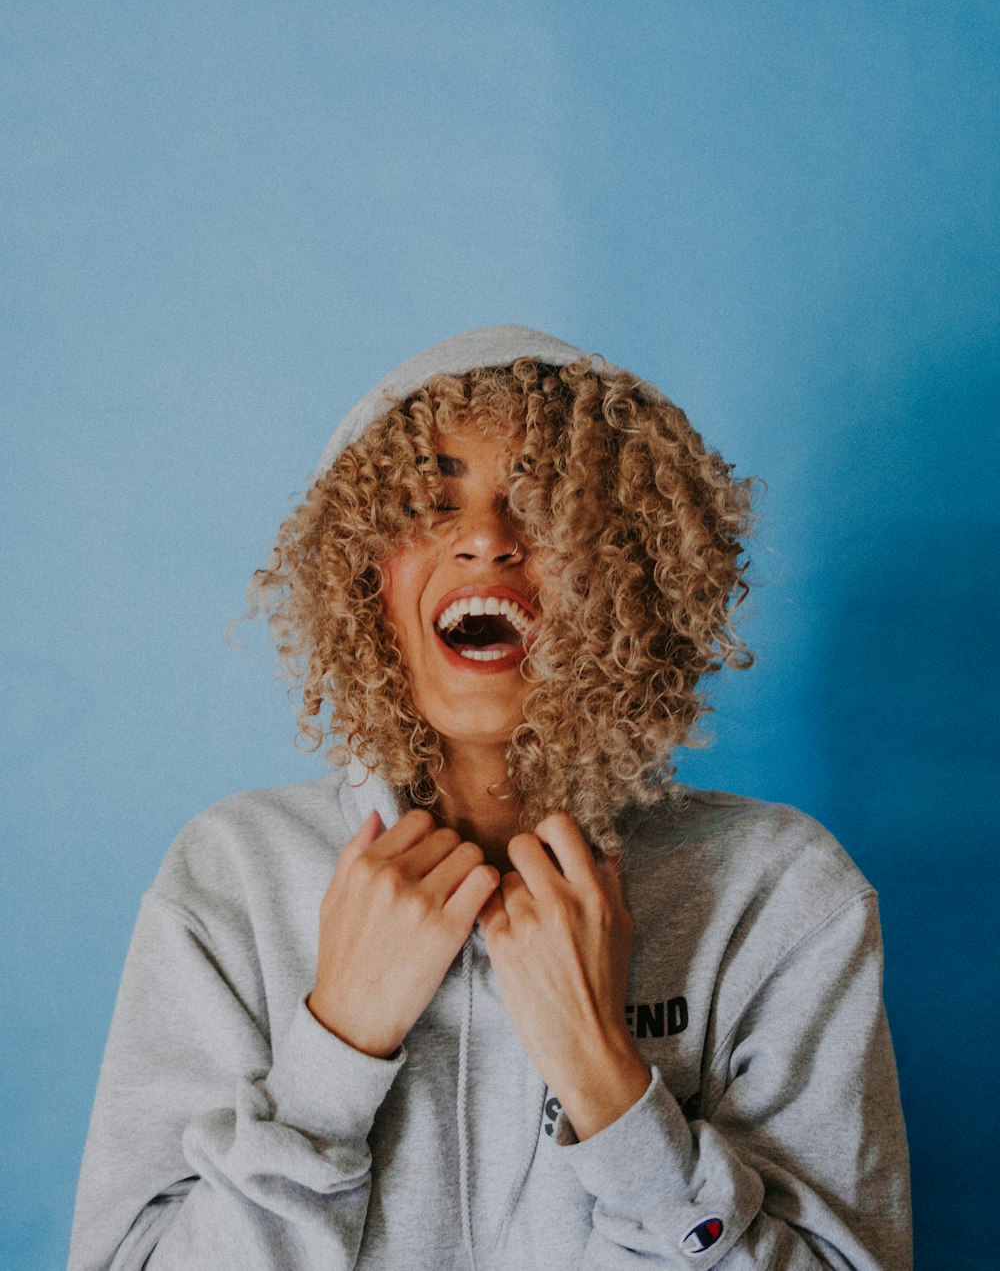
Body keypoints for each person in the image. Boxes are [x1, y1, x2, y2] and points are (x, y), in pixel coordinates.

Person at [68, 324, 912, 1270]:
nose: (485, 540)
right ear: (364, 577)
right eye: (431, 503)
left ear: (628, 571)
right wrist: (333, 1053)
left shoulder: (782, 896)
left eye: (548, 504)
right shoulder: (231, 878)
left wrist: (611, 1087)